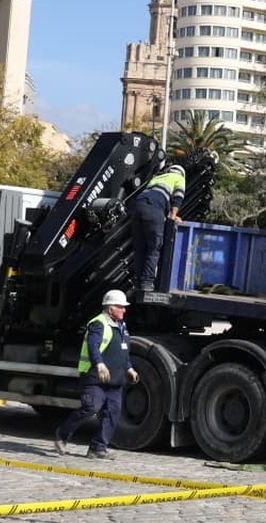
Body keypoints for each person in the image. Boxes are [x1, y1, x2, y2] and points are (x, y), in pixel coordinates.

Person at [55, 290, 138, 460]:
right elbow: (93, 346)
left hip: (115, 380)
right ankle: (62, 434)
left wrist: (129, 368)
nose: (124, 310)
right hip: (95, 377)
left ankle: (98, 448)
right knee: (91, 407)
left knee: (112, 413)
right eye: (120, 307)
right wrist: (99, 364)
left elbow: (122, 352)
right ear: (110, 309)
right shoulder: (98, 324)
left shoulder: (121, 326)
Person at [130, 162, 186, 297]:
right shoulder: (179, 178)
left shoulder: (157, 178)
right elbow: (177, 198)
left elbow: (155, 198)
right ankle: (147, 282)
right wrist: (173, 217)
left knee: (140, 247)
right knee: (154, 247)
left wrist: (166, 214)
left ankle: (137, 282)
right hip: (153, 208)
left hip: (137, 207)